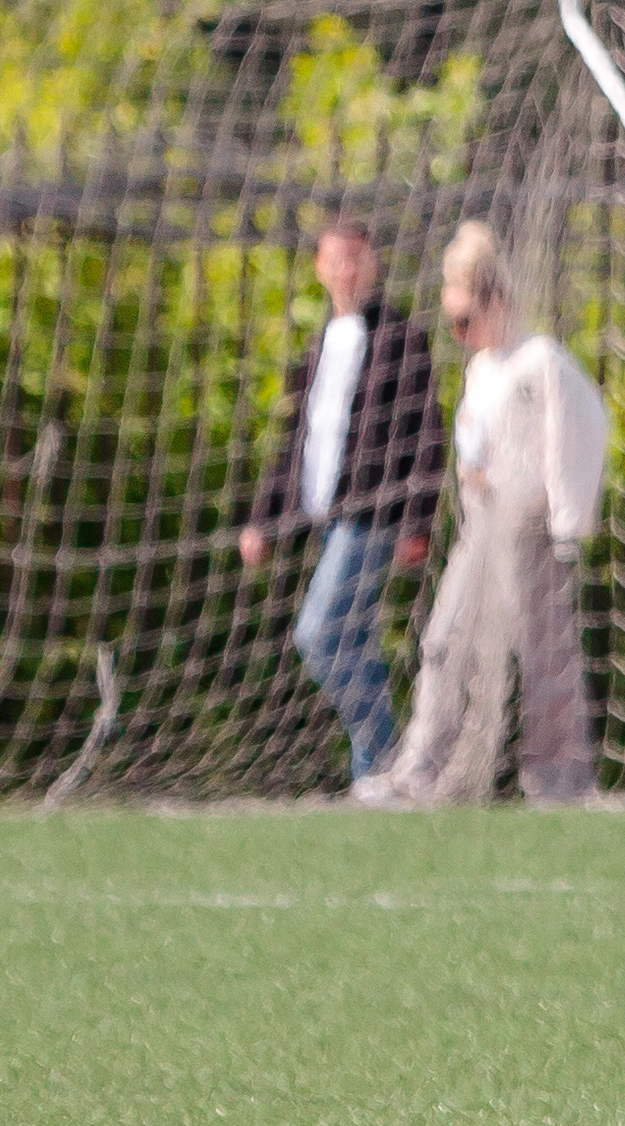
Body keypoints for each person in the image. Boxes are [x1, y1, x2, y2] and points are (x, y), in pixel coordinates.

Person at [358, 224, 601, 807]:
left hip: (528, 529)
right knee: (444, 641)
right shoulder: (481, 370)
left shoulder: (540, 359)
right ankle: (421, 767)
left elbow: (580, 429)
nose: (460, 334)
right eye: (453, 324)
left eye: (466, 320)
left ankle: (560, 778)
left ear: (496, 300)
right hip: (479, 526)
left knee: (543, 651)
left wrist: (567, 520)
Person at [242, 217, 445, 783]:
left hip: (372, 514)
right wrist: (262, 521)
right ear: (319, 268)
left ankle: (385, 758)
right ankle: (377, 775)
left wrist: (416, 520)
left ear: (374, 263)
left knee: (319, 635)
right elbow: (295, 443)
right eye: (335, 259)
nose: (346, 269)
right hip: (325, 517)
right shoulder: (317, 346)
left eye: (356, 257)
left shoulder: (401, 338)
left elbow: (426, 434)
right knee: (353, 643)